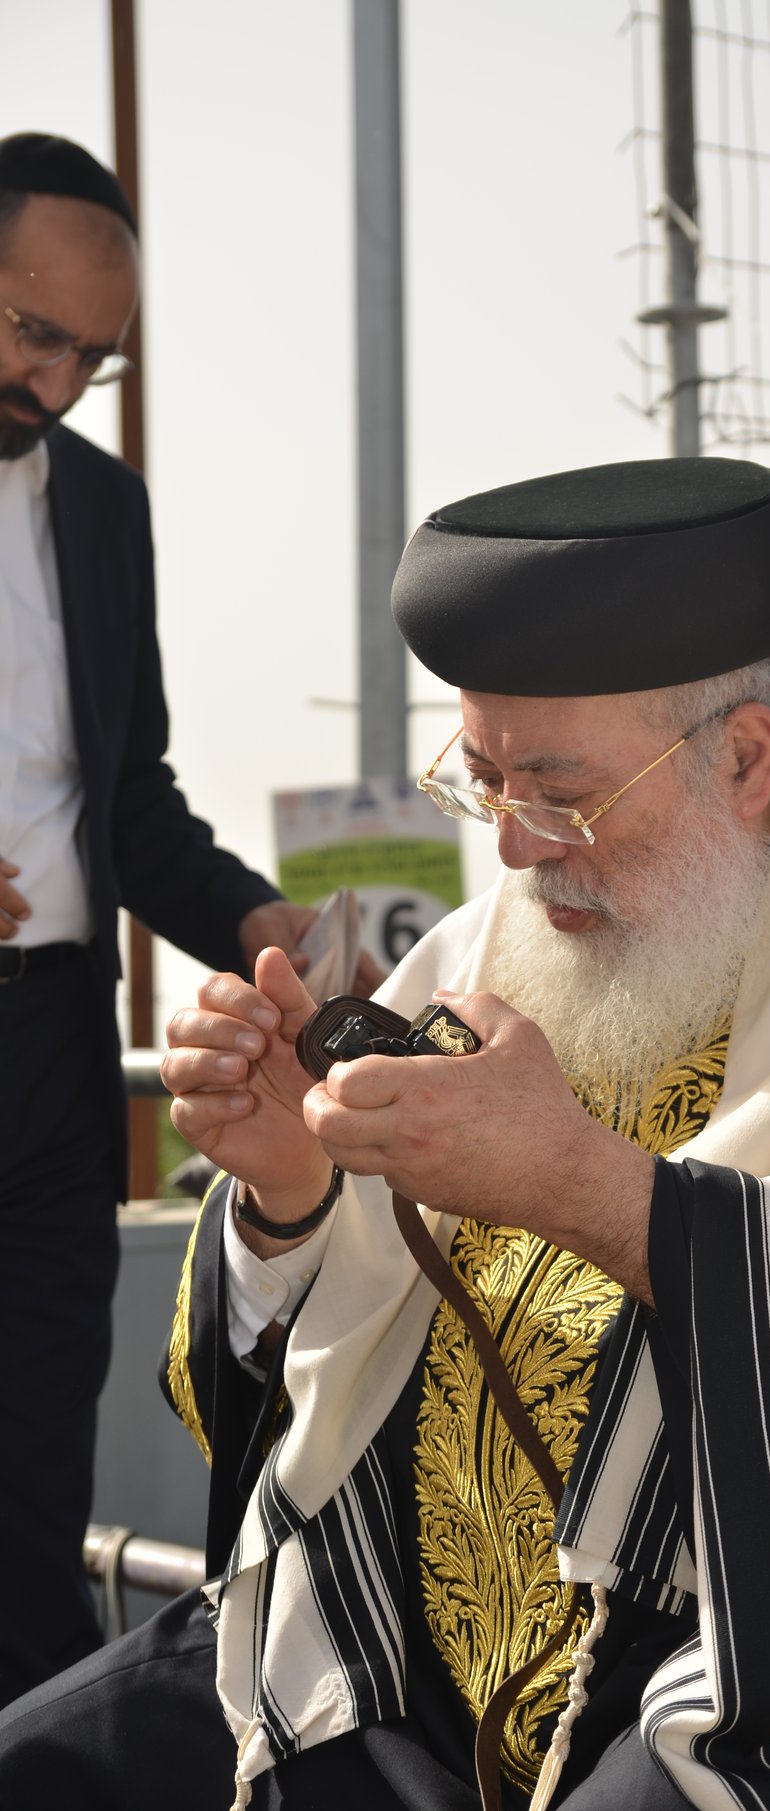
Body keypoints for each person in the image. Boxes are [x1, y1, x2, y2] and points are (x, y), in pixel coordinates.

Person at [1, 455, 770, 1811]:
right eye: (484, 779)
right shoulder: (499, 943)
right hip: (407, 1667)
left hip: (753, 1684)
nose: (511, 851)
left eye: (559, 794)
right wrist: (291, 1188)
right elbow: (305, 1391)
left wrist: (587, 1187)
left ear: (747, 757)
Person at [0, 131, 326, 1705]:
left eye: (91, 356)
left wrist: (270, 921)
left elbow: (131, 803)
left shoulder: (108, 509)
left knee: (31, 1486)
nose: (54, 379)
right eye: (27, 330)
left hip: (55, 1069)